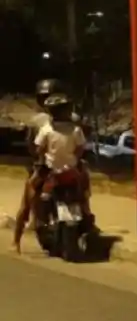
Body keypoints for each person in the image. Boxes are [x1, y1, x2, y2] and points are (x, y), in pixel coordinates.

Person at [12, 92, 90, 253]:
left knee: (83, 189)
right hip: (52, 170)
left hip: (60, 169)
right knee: (30, 197)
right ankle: (16, 240)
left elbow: (38, 148)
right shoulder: (55, 127)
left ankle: (87, 215)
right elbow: (79, 148)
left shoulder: (63, 127)